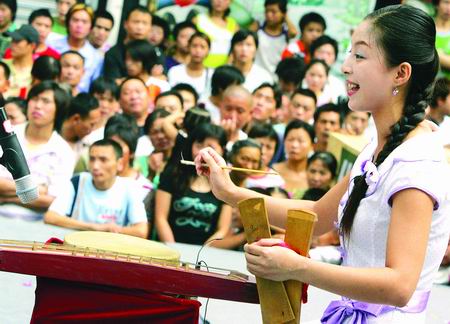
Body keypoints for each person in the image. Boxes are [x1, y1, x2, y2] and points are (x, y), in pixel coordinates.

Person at [194, 5, 450, 323]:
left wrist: (296, 266)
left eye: (360, 56)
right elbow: (316, 215)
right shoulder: (381, 146)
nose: (344, 67)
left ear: (400, 73)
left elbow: (399, 285)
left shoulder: (417, 162)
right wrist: (230, 192)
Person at [44, 139, 149, 239]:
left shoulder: (129, 187)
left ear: (119, 164)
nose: (95, 166)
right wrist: (95, 228)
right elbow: (50, 217)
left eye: (103, 160)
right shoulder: (78, 181)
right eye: (92, 159)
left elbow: (141, 231)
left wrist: (112, 231)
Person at [0, 81, 74, 221]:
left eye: (46, 101)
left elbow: (52, 200)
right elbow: (44, 196)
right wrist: (36, 190)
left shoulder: (63, 152)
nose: (38, 106)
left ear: (59, 109)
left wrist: (5, 198)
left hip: (35, 223)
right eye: (34, 99)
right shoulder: (5, 135)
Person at [155, 123, 231, 245]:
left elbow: (222, 229)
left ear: (222, 150)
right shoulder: (172, 174)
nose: (203, 153)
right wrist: (174, 251)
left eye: (210, 148)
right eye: (198, 145)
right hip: (170, 251)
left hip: (204, 256)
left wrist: (201, 254)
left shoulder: (225, 183)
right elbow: (160, 218)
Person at [51, 4, 103, 93]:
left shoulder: (96, 57)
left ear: (91, 27)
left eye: (84, 22)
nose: (79, 25)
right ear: (68, 23)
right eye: (75, 20)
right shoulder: (52, 45)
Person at [103, 6, 152, 81]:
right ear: (125, 24)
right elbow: (113, 83)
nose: (140, 27)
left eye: (145, 23)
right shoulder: (113, 54)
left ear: (150, 27)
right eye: (136, 22)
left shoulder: (155, 52)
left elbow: (162, 78)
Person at [252, 0, 297, 78]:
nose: (269, 15)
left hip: (276, 77)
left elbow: (293, 33)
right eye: (267, 11)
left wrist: (285, 17)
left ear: (283, 13)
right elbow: (245, 36)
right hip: (257, 74)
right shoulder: (259, 27)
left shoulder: (286, 32)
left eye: (273, 12)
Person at [272, 120, 315, 198]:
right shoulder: (272, 172)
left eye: (301, 141)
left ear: (312, 145)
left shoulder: (315, 177)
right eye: (290, 140)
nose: (294, 145)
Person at [193, 0, 239, 68]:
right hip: (200, 68)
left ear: (230, 2)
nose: (220, 1)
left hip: (223, 70)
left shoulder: (234, 25)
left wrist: (227, 66)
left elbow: (235, 49)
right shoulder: (198, 20)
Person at [168, 32, 212, 98]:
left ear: (208, 50)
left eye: (202, 47)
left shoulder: (212, 74)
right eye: (194, 46)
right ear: (188, 47)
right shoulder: (175, 71)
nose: (198, 50)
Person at [60, 92, 101, 162]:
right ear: (76, 119)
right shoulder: (47, 138)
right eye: (92, 124)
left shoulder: (87, 146)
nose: (93, 129)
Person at [3, 25, 39, 98]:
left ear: (32, 46)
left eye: (17, 41)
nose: (12, 45)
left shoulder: (37, 72)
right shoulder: (2, 65)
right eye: (12, 40)